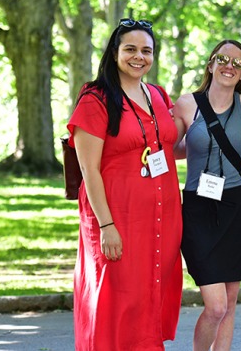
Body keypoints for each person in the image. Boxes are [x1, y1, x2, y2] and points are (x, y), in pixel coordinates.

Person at [67, 18, 182, 351]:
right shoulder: (96, 99)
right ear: (114, 52)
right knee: (115, 300)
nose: (139, 57)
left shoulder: (158, 95)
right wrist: (107, 225)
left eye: (146, 50)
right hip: (116, 217)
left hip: (161, 218)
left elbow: (168, 146)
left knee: (149, 296)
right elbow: (89, 170)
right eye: (130, 49)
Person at [173, 40, 241, 351]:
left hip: (237, 206)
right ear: (210, 64)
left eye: (237, 63)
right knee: (216, 306)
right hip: (199, 209)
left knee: (231, 301)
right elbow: (169, 150)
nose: (229, 65)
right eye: (223, 58)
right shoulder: (186, 105)